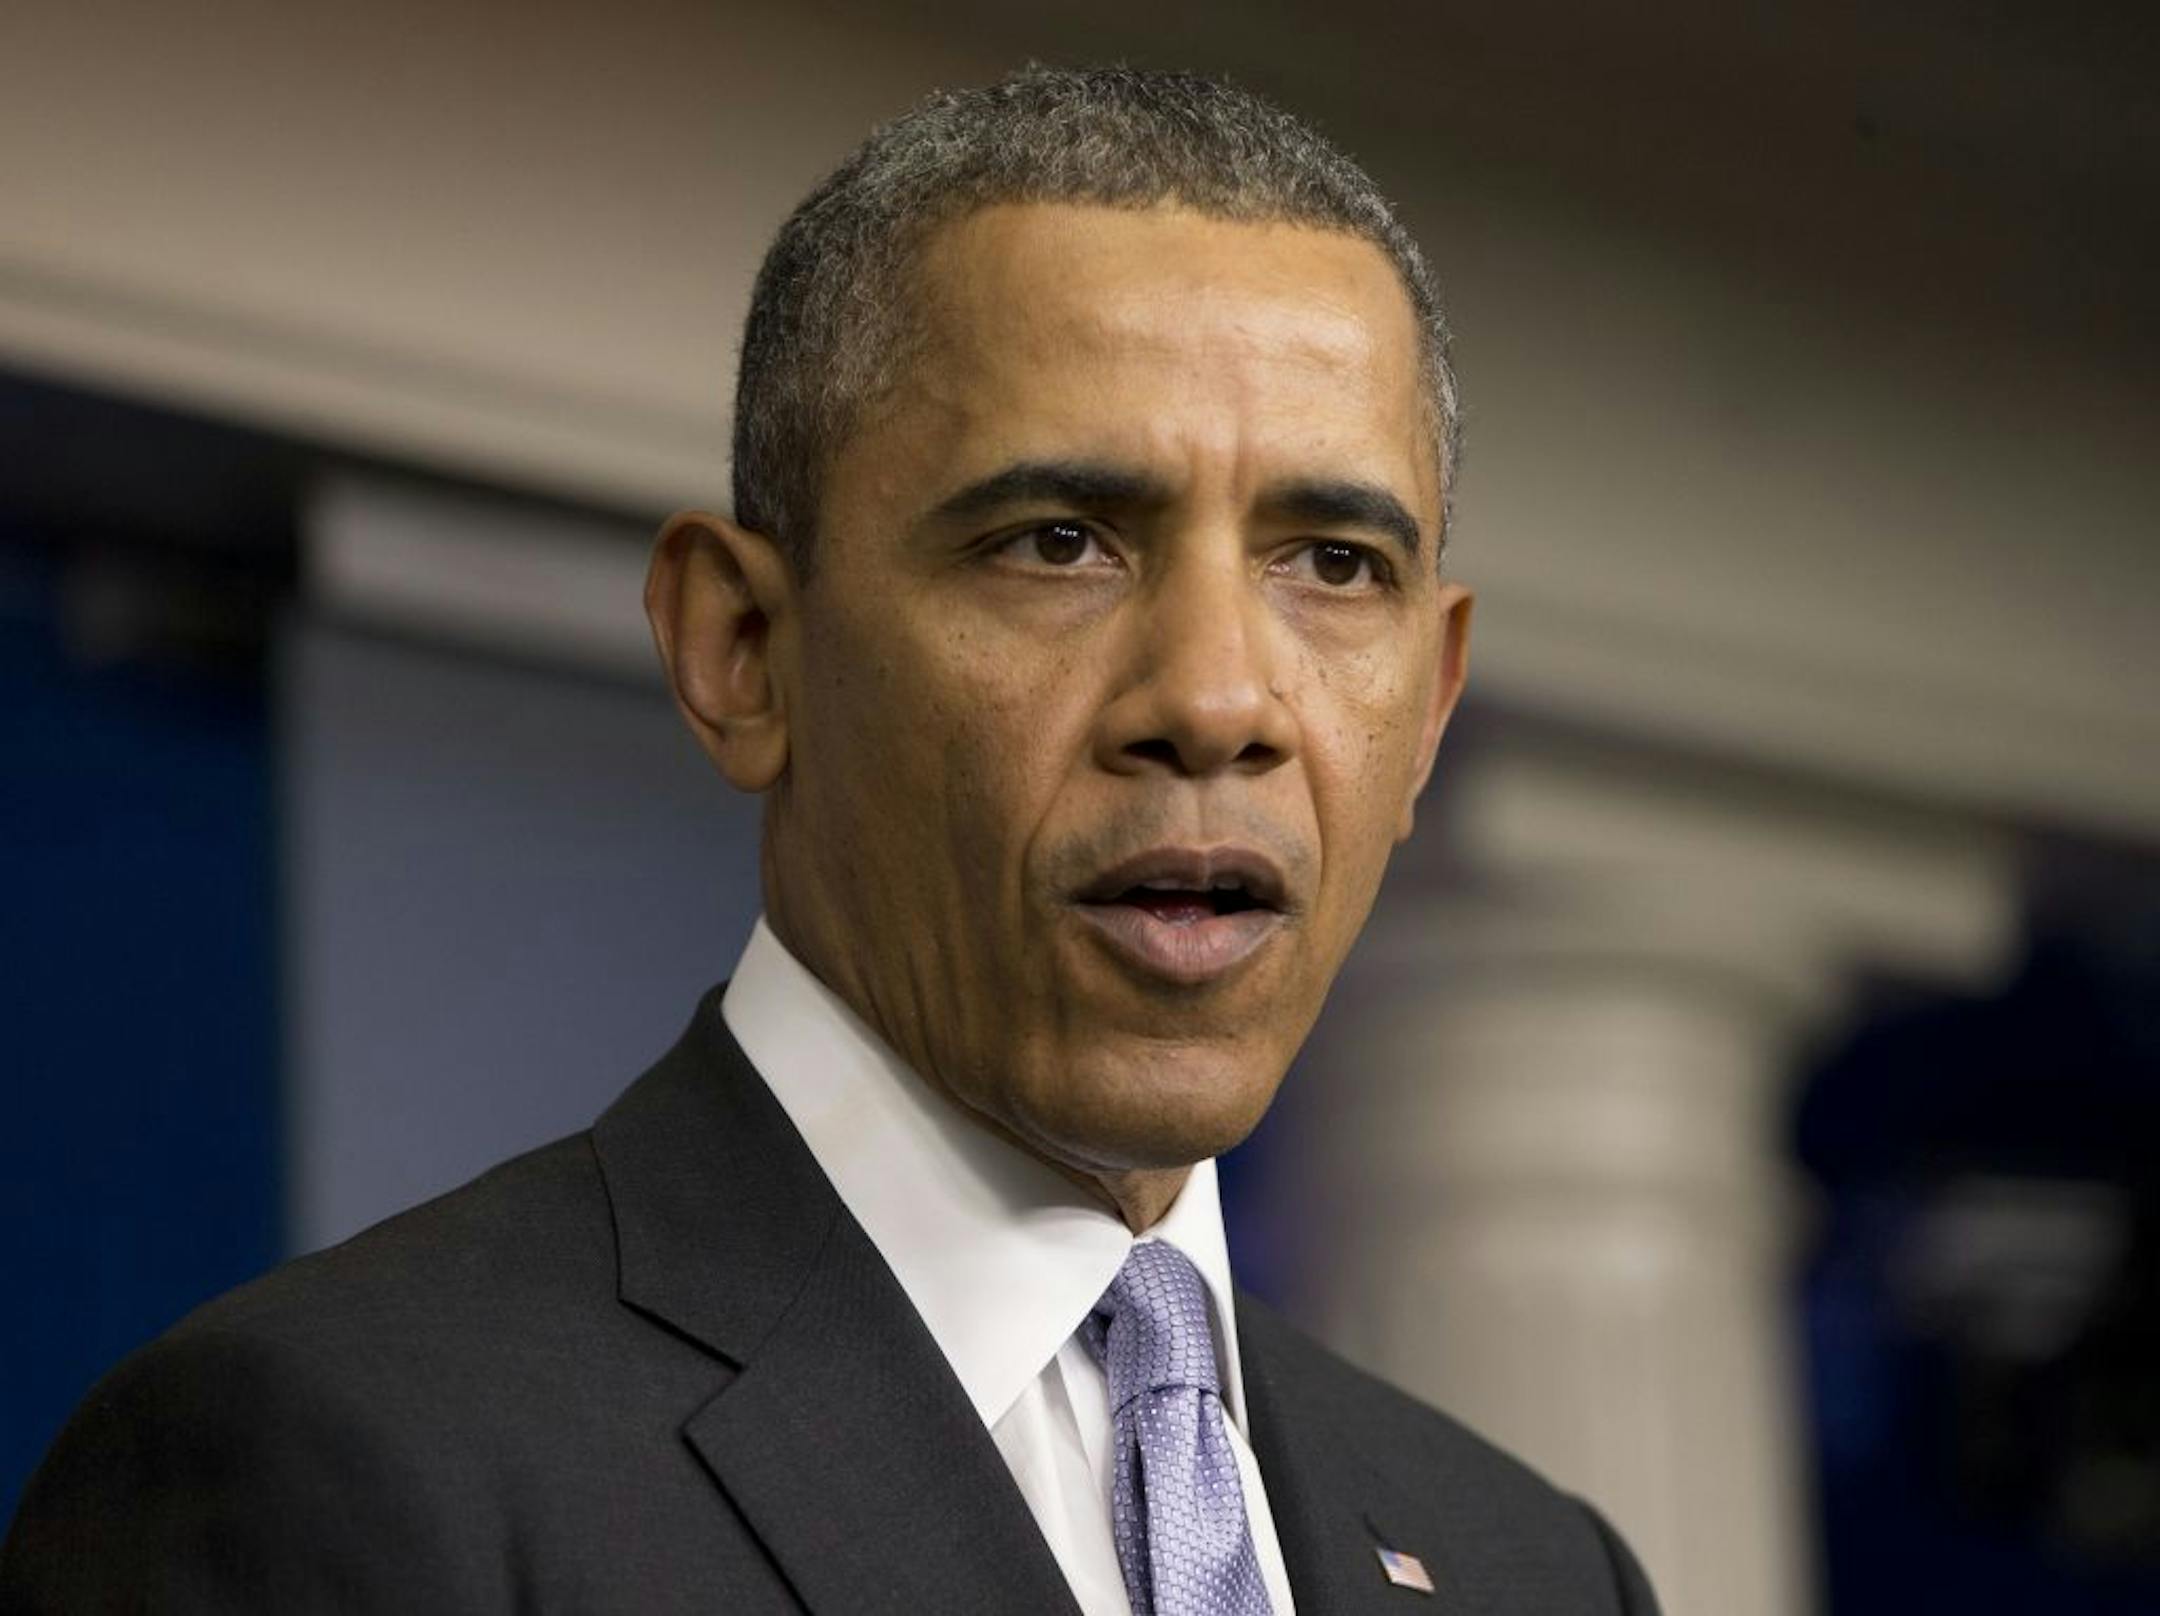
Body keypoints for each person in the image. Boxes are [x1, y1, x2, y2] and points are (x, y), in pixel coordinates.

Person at [0, 66, 1659, 1614]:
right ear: (742, 653)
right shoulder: (337, 1473)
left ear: (1431, 706)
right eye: (1062, 540)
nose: (1219, 697)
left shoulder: (1542, 1569)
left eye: (1333, 564)